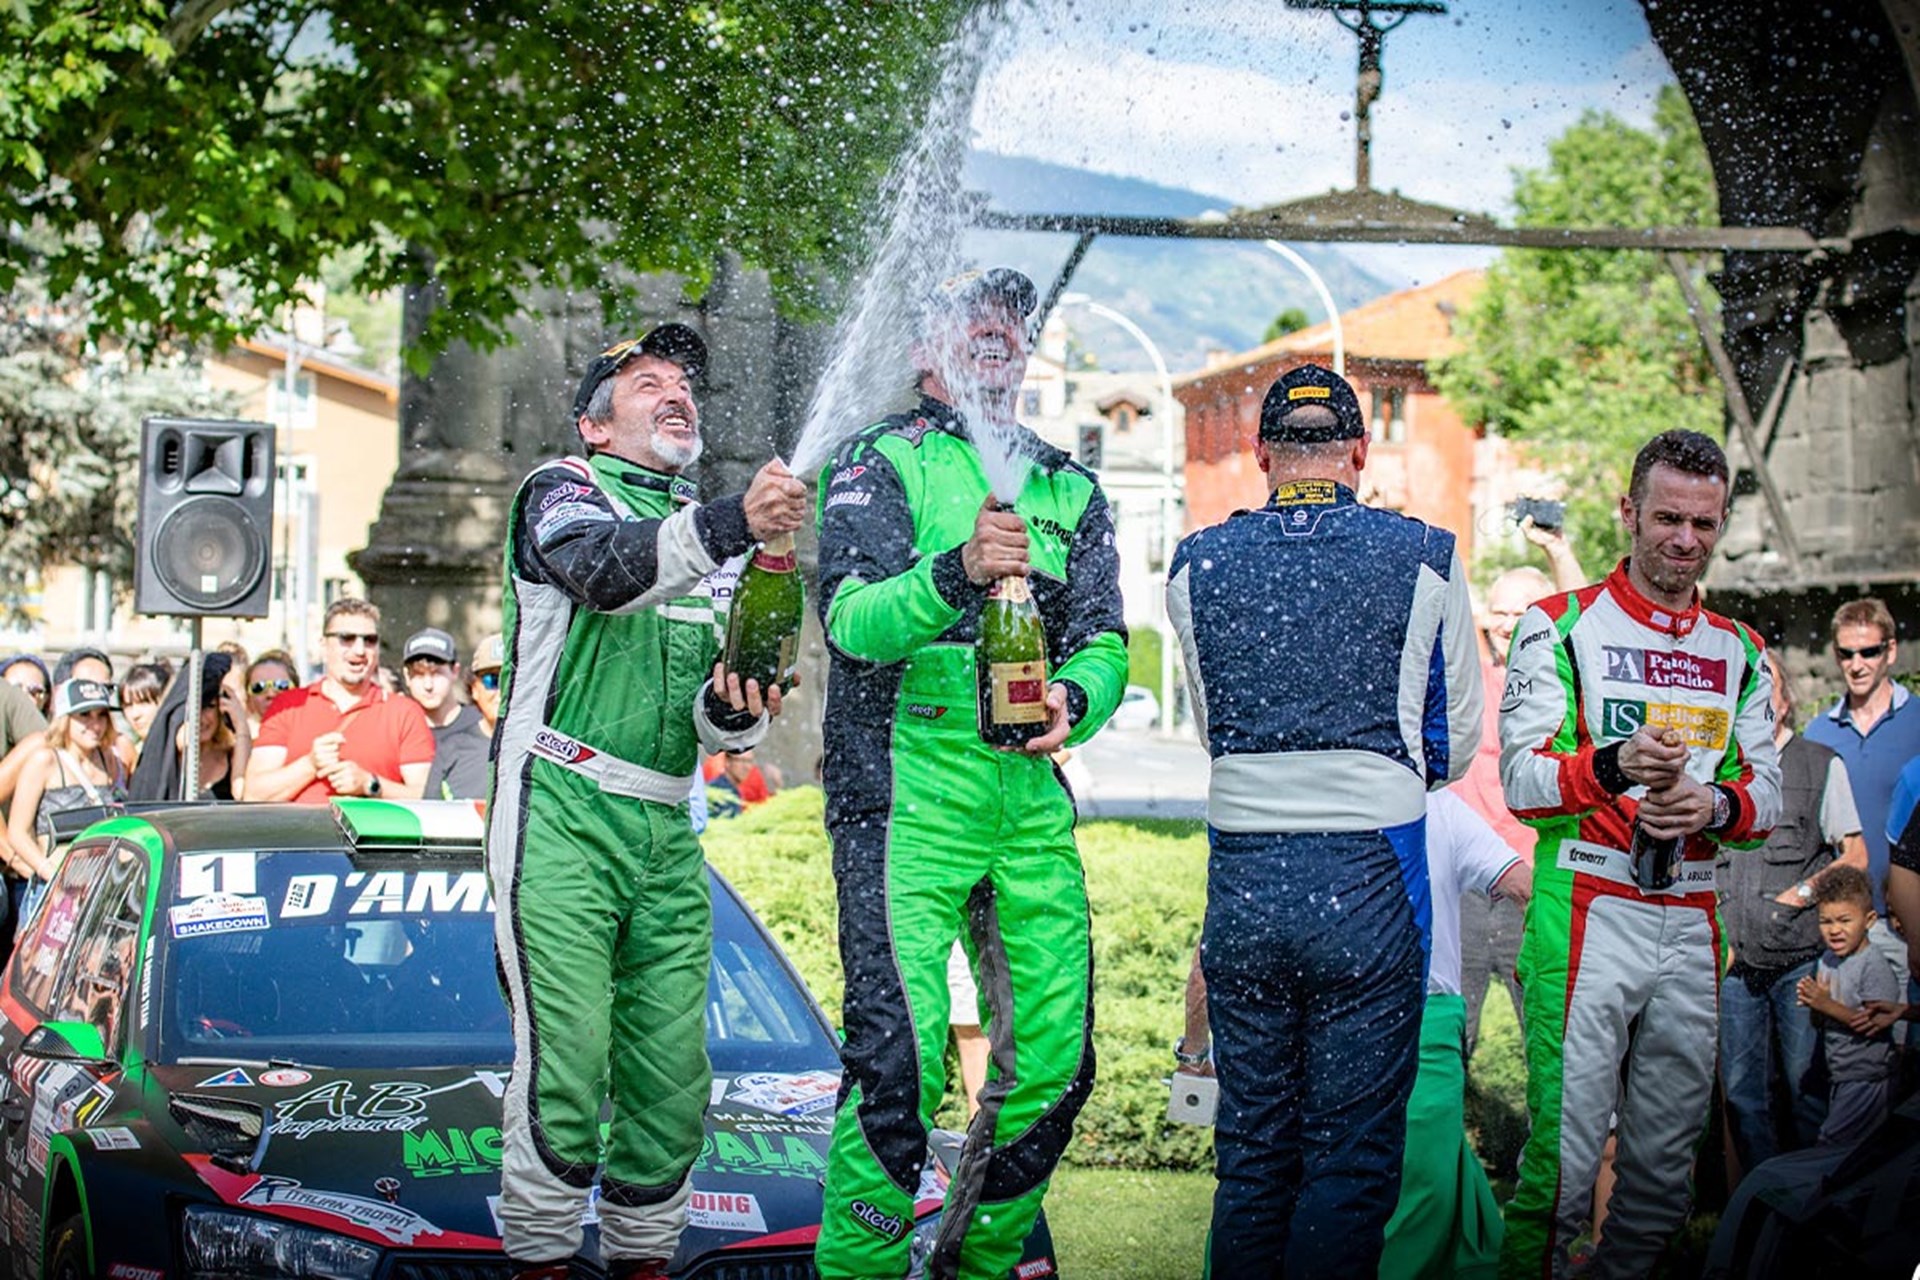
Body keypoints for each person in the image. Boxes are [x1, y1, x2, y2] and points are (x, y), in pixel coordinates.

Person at [814, 267, 1127, 1280]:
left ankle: (977, 1266)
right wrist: (959, 569)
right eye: (969, 315)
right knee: (897, 1066)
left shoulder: (1070, 486)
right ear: (924, 349)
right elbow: (851, 623)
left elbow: (1107, 640)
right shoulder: (876, 459)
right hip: (903, 796)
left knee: (1057, 1067)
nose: (996, 326)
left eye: (1012, 317)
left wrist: (1074, 698)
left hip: (1028, 802)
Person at [487, 323, 807, 1280]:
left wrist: (737, 709)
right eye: (647, 383)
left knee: (672, 1079)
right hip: (560, 804)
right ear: (594, 424)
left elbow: (717, 722)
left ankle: (644, 1262)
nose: (676, 394)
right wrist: (735, 522)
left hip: (669, 819)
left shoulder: (707, 532)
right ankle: (542, 1259)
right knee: (568, 1059)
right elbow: (603, 573)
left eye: (685, 385)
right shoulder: (560, 489)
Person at [1168, 363, 1482, 1277]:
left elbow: (1213, 730)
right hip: (1370, 881)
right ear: (1360, 451)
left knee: (1254, 1154)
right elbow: (1454, 744)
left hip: (1246, 884)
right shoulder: (1425, 553)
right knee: (1349, 1161)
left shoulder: (1196, 562)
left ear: (1262, 454)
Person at [1497, 429, 1782, 1279]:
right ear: (1628, 512)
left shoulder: (1740, 650)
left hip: (1692, 913)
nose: (1685, 540)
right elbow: (1521, 781)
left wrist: (1715, 804)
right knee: (1562, 1172)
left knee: (1663, 1183)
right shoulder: (1561, 624)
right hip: (1589, 908)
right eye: (1667, 519)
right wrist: (1616, 764)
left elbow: (1767, 797)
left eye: (1704, 523)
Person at [1174, 790, 1531, 1280]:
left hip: (1295, 1027)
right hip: (1420, 1033)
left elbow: (1214, 950)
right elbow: (1525, 889)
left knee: (1266, 1179)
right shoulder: (1437, 806)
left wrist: (1194, 1056)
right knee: (1398, 1194)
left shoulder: (1279, 803)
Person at [1717, 648, 1867, 1174]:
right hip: (1735, 965)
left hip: (1800, 960)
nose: (1757, 700)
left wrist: (1799, 896)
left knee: (1807, 1088)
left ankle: (1815, 1198)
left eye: (1767, 689)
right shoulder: (1719, 769)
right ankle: (1766, 1202)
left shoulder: (1820, 763)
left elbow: (1855, 854)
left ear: (1784, 702)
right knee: (1742, 1096)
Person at [1802, 597, 1920, 990]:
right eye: (1846, 653)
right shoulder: (1818, 733)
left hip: (1908, 923)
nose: (1856, 664)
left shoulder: (1917, 723)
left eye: (1868, 652)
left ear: (1891, 651)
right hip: (1840, 927)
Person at [243, 598, 434, 803]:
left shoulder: (404, 712)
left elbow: (429, 798)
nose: (360, 650)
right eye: (347, 638)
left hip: (373, 825)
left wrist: (370, 784)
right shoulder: (288, 705)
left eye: (369, 640)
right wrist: (310, 764)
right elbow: (253, 795)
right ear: (324, 646)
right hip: (299, 825)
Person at [4, 678, 128, 926]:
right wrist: (50, 874)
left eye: (101, 715)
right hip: (53, 892)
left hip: (100, 890)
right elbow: (17, 832)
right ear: (65, 718)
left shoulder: (108, 760)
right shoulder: (44, 761)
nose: (95, 725)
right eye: (84, 715)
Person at [1795, 865, 1899, 1144]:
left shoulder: (1872, 964)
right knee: (1855, 1148)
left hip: (1868, 1075)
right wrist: (1815, 1004)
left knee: (1832, 1143)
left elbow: (1875, 1023)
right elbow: (1821, 1021)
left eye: (1844, 920)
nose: (1835, 930)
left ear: (1869, 920)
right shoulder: (1827, 961)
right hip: (1841, 1074)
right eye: (1826, 922)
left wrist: (1825, 1003)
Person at [127, 654, 249, 801]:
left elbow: (240, 793)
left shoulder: (231, 753)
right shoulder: (164, 756)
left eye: (209, 707)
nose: (200, 718)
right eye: (193, 709)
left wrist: (241, 725)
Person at [407, 628, 491, 801]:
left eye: (437, 673)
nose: (428, 685)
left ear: (455, 671)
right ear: (406, 677)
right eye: (419, 675)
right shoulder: (399, 728)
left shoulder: (481, 723)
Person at [243, 649, 300, 735]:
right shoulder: (242, 742)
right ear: (249, 701)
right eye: (259, 687)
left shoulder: (317, 737)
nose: (271, 694)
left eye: (281, 685)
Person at [468, 633, 504, 733]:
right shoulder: (457, 742)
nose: (502, 692)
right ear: (474, 689)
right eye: (493, 680)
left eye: (511, 682)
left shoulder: (540, 740)